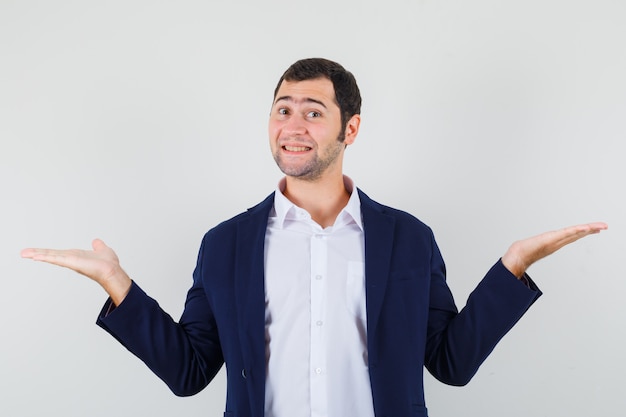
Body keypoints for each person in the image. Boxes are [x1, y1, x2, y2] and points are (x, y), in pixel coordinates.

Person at [21, 58, 607, 417]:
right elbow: (189, 372)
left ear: (350, 128)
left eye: (312, 112)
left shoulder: (408, 238)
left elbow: (448, 362)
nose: (292, 127)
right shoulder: (225, 244)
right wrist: (118, 286)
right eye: (282, 110)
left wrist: (512, 269)